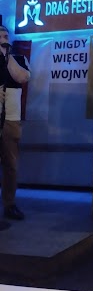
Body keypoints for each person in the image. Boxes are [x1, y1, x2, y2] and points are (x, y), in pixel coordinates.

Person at [0, 25, 30, 220]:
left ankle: (9, 204)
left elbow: (22, 77)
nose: (4, 39)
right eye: (0, 36)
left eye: (6, 36)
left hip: (10, 120)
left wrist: (6, 55)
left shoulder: (18, 58)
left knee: (10, 165)